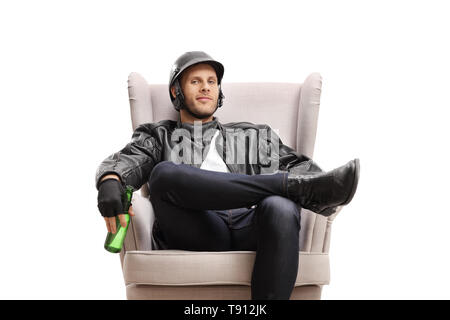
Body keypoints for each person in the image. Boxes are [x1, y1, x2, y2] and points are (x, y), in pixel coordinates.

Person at [95, 51, 360, 300]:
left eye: (212, 81)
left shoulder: (254, 136)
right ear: (176, 91)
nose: (206, 87)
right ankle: (281, 185)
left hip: (251, 224)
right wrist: (110, 179)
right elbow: (129, 160)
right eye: (195, 81)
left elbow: (305, 173)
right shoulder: (159, 135)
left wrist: (321, 184)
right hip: (194, 226)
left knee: (280, 205)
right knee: (163, 174)